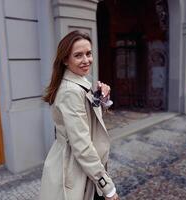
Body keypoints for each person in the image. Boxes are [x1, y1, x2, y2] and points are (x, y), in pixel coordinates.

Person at [40, 30, 119, 200]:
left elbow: (87, 121)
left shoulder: (81, 81)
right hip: (77, 168)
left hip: (84, 166)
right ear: (65, 60)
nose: (86, 60)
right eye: (78, 55)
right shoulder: (71, 91)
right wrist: (107, 186)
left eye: (88, 53)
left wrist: (102, 100)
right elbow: (81, 145)